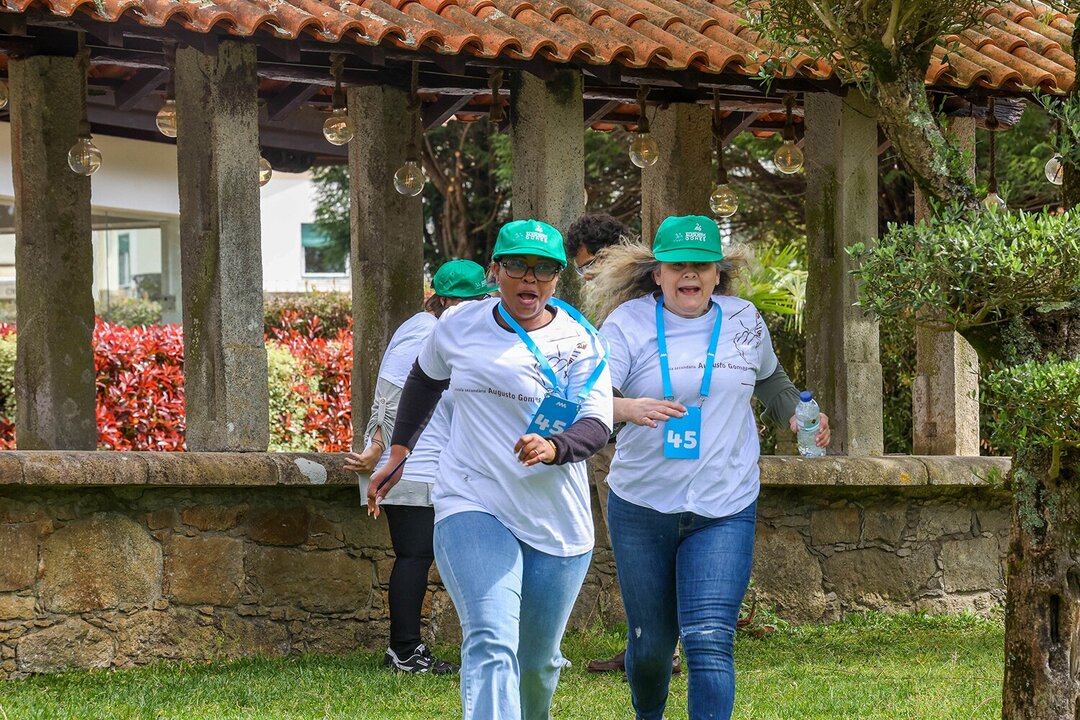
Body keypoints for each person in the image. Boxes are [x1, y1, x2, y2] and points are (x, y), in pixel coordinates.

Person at [369, 219, 614, 720]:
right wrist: (399, 450)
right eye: (518, 266)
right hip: (472, 501)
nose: (531, 279)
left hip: (555, 519)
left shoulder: (580, 341)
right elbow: (424, 378)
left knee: (536, 664)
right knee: (490, 639)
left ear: (558, 277)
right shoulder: (459, 324)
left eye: (544, 269)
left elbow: (597, 423)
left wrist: (555, 446)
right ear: (495, 270)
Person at [587, 216, 830, 720]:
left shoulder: (744, 319)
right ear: (658, 273)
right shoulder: (628, 323)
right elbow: (591, 398)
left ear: (718, 273)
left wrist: (798, 416)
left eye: (701, 265)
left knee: (710, 640)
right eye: (678, 265)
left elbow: (773, 382)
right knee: (651, 646)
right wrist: (628, 408)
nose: (690, 274)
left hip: (725, 505)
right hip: (643, 504)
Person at [343, 258, 495, 675]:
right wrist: (377, 447)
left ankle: (412, 647)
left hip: (432, 465)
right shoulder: (423, 330)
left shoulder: (448, 332)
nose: (474, 309)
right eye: (465, 302)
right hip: (411, 466)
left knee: (423, 555)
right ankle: (404, 650)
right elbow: (390, 392)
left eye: (479, 301)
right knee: (414, 555)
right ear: (442, 300)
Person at [566, 213, 683, 677]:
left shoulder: (629, 308)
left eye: (587, 266)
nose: (585, 277)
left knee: (641, 549)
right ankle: (650, 642)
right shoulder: (642, 301)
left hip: (629, 441)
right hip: (636, 436)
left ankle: (657, 647)